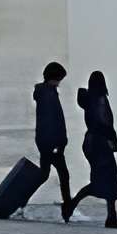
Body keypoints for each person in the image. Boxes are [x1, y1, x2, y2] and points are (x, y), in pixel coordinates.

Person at [71, 71, 117, 230]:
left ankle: (111, 216)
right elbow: (105, 124)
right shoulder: (100, 100)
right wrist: (113, 140)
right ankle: (110, 217)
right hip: (101, 145)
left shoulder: (89, 100)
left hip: (92, 144)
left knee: (101, 181)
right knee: (108, 180)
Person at [31, 61, 76, 221]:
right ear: (53, 78)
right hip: (51, 143)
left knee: (44, 174)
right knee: (63, 175)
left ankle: (20, 197)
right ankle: (68, 207)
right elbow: (52, 121)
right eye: (59, 79)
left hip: (46, 142)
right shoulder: (49, 95)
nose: (59, 83)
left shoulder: (46, 92)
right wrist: (58, 143)